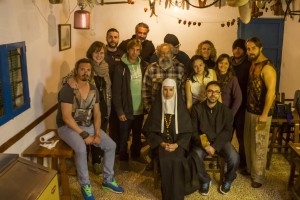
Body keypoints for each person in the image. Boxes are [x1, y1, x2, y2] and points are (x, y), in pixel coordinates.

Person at [56, 58, 123, 200]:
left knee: (111, 145)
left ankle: (108, 179)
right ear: (76, 70)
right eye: (82, 69)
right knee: (81, 149)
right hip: (67, 127)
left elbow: (97, 113)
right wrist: (84, 134)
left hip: (87, 125)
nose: (85, 72)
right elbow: (67, 117)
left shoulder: (93, 89)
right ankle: (85, 185)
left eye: (88, 70)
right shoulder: (68, 89)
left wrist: (97, 133)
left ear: (91, 72)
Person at [62, 41, 111, 175]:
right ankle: (84, 166)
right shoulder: (85, 66)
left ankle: (96, 161)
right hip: (87, 110)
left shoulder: (106, 68)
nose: (99, 55)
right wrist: (70, 80)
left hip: (102, 107)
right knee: (86, 139)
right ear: (91, 53)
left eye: (102, 53)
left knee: (98, 135)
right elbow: (65, 80)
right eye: (96, 52)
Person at [143, 78, 193, 200]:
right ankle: (167, 195)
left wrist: (177, 145)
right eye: (165, 90)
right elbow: (148, 131)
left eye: (171, 90)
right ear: (162, 90)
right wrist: (161, 143)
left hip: (178, 145)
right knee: (166, 160)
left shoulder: (181, 109)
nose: (167, 93)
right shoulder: (156, 108)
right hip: (161, 145)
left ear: (175, 91)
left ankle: (177, 195)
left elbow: (187, 132)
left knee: (177, 160)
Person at [190, 81, 239, 195]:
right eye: (210, 91)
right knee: (194, 156)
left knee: (235, 157)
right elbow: (193, 131)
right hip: (202, 142)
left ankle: (228, 179)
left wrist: (215, 146)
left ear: (220, 94)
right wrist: (206, 145)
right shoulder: (197, 109)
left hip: (220, 141)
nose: (213, 94)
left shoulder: (226, 111)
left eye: (217, 92)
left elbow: (227, 131)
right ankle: (205, 180)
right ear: (206, 92)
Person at [243, 37, 276, 188]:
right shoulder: (252, 64)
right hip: (250, 111)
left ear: (260, 48)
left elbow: (271, 92)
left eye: (253, 48)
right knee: (249, 143)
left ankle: (258, 177)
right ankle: (251, 170)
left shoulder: (267, 68)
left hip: (262, 115)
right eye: (248, 48)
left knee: (259, 146)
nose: (250, 51)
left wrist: (264, 114)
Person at [112, 39, 148, 171]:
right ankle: (123, 158)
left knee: (137, 135)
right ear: (128, 50)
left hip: (139, 108)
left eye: (138, 50)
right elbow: (116, 92)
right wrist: (120, 111)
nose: (135, 52)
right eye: (133, 49)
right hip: (126, 109)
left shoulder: (144, 65)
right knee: (124, 136)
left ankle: (136, 154)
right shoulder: (120, 67)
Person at [142, 43, 186, 113]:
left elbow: (183, 91)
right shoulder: (151, 68)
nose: (165, 55)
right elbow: (145, 90)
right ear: (158, 55)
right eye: (162, 53)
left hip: (175, 110)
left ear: (172, 54)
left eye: (168, 53)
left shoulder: (180, 68)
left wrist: (182, 109)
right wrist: (149, 108)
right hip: (156, 110)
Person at [230, 38, 251, 170]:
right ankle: (227, 159)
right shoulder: (229, 63)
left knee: (241, 135)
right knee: (226, 133)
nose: (237, 50)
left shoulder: (249, 64)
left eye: (240, 48)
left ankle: (243, 163)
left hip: (242, 105)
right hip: (228, 104)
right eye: (235, 47)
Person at [105, 28, 125, 155]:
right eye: (110, 37)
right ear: (106, 38)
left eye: (115, 37)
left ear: (118, 38)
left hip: (119, 94)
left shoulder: (123, 55)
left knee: (117, 124)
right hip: (104, 94)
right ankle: (105, 149)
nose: (113, 39)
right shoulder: (101, 53)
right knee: (105, 123)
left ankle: (117, 150)